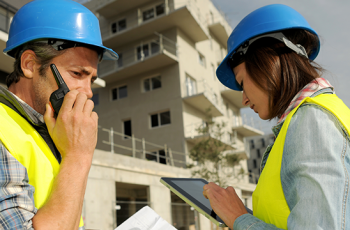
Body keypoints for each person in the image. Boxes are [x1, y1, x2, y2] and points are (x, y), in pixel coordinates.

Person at [203, 4, 350, 230]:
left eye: (242, 83)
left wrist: (239, 218)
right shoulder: (323, 113)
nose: (244, 99)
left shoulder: (312, 121)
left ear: (267, 61)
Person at [0, 0, 118, 229]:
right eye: (77, 73)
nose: (88, 92)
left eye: (91, 80)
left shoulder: (52, 130)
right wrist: (78, 157)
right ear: (30, 64)